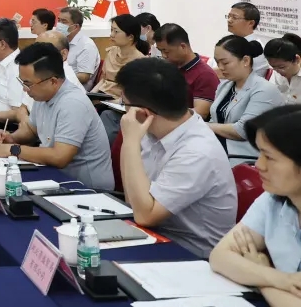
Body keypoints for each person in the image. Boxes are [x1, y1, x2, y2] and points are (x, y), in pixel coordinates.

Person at [115, 59, 237, 258]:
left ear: (143, 112)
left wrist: (129, 142)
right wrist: (132, 141)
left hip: (192, 255)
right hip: (154, 236)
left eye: (124, 104)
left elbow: (145, 216)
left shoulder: (197, 152)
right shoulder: (151, 130)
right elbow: (133, 201)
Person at [0, 43, 114, 190]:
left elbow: (59, 157)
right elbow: (31, 130)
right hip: (56, 177)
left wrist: (14, 149)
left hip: (86, 188)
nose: (25, 89)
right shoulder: (42, 95)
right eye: (22, 82)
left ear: (53, 81)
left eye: (28, 84)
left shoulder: (73, 103)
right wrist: (12, 138)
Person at [210, 106, 301, 306]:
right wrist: (280, 279)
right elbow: (220, 256)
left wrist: (260, 275)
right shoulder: (273, 200)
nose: (259, 165)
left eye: (269, 157)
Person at [208, 35, 284, 164]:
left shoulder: (264, 89)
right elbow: (214, 119)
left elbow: (242, 131)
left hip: (246, 156)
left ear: (245, 60)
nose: (220, 67)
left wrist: (203, 125)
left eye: (225, 63)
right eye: (218, 62)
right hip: (219, 148)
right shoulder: (225, 86)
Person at [96, 14, 151, 144]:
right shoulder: (111, 52)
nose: (111, 35)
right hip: (102, 97)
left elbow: (135, 96)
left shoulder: (140, 61)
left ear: (130, 37)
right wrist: (89, 95)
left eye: (116, 31)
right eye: (111, 30)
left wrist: (106, 101)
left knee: (105, 115)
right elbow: (103, 80)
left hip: (120, 104)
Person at [153, 23, 219, 120]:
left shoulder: (205, 74)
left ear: (183, 47)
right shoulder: (170, 67)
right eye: (160, 51)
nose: (164, 55)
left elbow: (201, 113)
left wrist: (164, 113)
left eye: (166, 51)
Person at [212, 2, 268, 76]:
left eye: (234, 17)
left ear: (251, 23)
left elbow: (234, 74)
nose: (229, 20)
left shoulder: (256, 49)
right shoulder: (228, 42)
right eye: (229, 16)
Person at [57, 7, 100, 90]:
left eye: (64, 21)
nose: (59, 24)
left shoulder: (86, 45)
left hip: (75, 89)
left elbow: (84, 76)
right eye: (59, 20)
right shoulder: (62, 41)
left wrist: (59, 80)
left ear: (75, 27)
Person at [265, 33, 301, 105]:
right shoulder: (275, 73)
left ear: (297, 59)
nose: (277, 71)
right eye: (273, 67)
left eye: (281, 67)